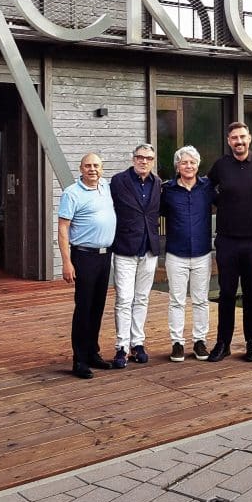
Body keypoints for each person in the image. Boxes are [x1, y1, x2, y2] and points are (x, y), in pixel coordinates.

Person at [207, 122, 252, 362]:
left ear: (250, 138)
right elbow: (206, 187)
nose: (239, 141)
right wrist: (220, 202)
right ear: (228, 141)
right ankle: (222, 343)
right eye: (234, 138)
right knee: (226, 293)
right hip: (226, 239)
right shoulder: (221, 166)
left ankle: (251, 342)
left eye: (243, 137)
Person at [58, 153, 117, 380]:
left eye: (96, 166)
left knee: (98, 306)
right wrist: (66, 262)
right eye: (88, 166)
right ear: (80, 169)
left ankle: (93, 353)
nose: (93, 169)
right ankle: (79, 360)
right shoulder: (72, 193)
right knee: (83, 308)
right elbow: (63, 228)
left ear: (102, 169)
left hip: (104, 257)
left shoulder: (105, 187)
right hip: (84, 256)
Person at [161, 145, 216, 362]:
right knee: (176, 301)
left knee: (201, 300)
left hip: (202, 253)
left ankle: (200, 341)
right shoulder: (168, 190)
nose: (189, 166)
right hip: (176, 253)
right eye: (184, 162)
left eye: (192, 162)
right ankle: (177, 343)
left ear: (198, 164)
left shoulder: (208, 187)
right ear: (177, 166)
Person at [109, 143, 162, 367]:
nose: (144, 161)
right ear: (133, 159)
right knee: (124, 299)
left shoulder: (158, 183)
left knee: (142, 298)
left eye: (148, 158)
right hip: (124, 248)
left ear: (153, 161)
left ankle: (137, 343)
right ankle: (121, 346)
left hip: (149, 249)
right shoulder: (118, 181)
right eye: (140, 157)